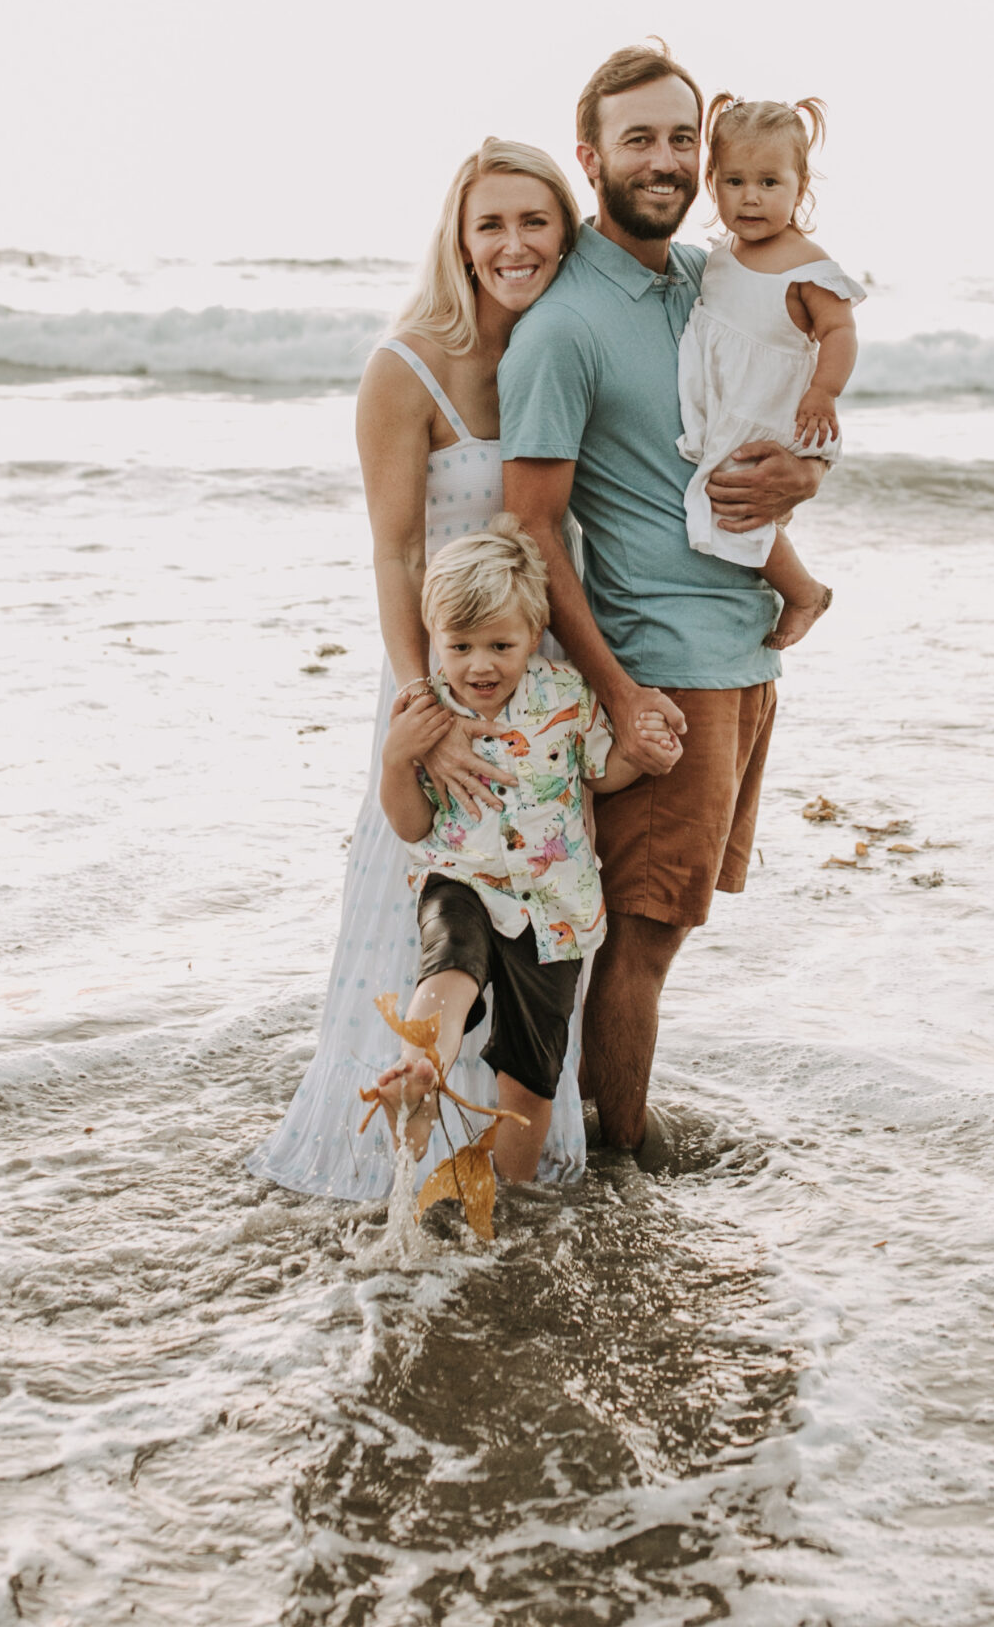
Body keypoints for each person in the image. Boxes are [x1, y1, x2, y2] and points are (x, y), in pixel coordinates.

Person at [500, 41, 831, 1162]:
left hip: (743, 650)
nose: (668, 159)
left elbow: (784, 409)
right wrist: (621, 691)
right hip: (665, 670)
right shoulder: (562, 326)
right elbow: (532, 526)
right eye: (638, 137)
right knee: (637, 936)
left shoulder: (709, 281)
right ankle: (623, 1171)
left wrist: (807, 474)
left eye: (682, 137)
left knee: (671, 927)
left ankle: (612, 1141)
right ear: (590, 155)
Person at [247, 137, 586, 1204]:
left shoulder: (559, 350)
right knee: (430, 914)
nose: (514, 243)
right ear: (459, 235)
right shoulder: (405, 367)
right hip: (438, 682)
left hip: (538, 690)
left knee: (537, 917)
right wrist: (422, 702)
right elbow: (395, 550)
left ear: (565, 232)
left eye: (536, 221)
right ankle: (390, 1154)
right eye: (491, 223)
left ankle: (506, 1164)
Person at [367, 517, 668, 1182]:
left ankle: (513, 1195)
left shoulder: (567, 697)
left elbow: (600, 771)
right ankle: (420, 1070)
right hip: (460, 878)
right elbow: (412, 824)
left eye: (500, 645)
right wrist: (396, 760)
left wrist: (639, 758)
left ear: (534, 636)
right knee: (449, 965)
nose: (479, 664)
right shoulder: (429, 712)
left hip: (553, 905)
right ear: (434, 641)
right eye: (459, 645)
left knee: (532, 1071)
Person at [676, 94, 864, 645]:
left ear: (799, 188)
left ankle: (805, 592)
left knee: (735, 497)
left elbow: (840, 331)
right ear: (712, 182)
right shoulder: (720, 257)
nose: (750, 198)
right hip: (730, 403)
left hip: (770, 409)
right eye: (734, 181)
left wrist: (824, 391)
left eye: (769, 183)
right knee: (726, 501)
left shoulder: (806, 264)